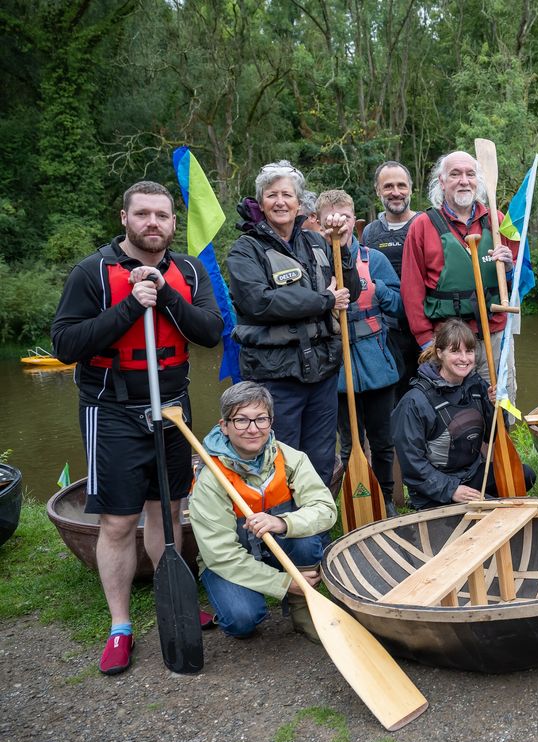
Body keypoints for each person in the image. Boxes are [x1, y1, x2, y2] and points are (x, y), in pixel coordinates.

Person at [50, 180, 224, 675]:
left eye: (163, 215)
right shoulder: (92, 273)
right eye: (143, 214)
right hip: (113, 410)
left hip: (172, 408)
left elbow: (210, 332)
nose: (154, 223)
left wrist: (166, 296)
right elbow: (66, 344)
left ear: (173, 222)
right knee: (119, 521)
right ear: (124, 218)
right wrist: (130, 304)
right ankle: (121, 625)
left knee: (168, 514)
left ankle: (178, 601)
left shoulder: (188, 270)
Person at [225, 160, 359, 487]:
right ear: (261, 202)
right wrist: (323, 300)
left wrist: (342, 252)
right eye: (272, 195)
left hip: (322, 371)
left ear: (299, 203)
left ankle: (316, 533)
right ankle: (279, 532)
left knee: (320, 458)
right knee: (279, 460)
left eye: (288, 194)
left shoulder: (317, 243)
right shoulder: (246, 250)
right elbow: (259, 302)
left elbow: (348, 291)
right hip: (275, 375)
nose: (281, 201)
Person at [188, 382, 336, 643]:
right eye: (241, 420)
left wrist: (282, 522)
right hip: (233, 559)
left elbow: (325, 509)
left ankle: (303, 610)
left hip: (280, 546)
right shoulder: (211, 479)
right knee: (242, 620)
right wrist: (281, 583)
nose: (253, 429)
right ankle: (261, 594)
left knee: (306, 538)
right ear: (224, 425)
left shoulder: (290, 458)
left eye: (260, 419)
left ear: (271, 421)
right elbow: (221, 554)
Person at [315, 189, 403, 515]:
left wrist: (377, 290)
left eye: (346, 219)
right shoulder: (315, 262)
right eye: (331, 220)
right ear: (321, 223)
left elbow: (399, 306)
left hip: (376, 361)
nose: (340, 225)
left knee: (383, 440)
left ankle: (388, 498)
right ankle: (356, 499)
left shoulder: (374, 260)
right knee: (350, 443)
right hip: (336, 365)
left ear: (355, 221)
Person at [392, 319, 535, 510]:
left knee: (524, 475)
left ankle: (485, 499)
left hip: (472, 475)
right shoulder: (414, 401)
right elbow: (412, 465)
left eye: (469, 351)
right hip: (434, 489)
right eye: (455, 351)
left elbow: (491, 435)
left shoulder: (476, 385)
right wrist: (452, 489)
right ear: (439, 353)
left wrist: (496, 407)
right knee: (490, 511)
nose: (464, 358)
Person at [399, 151, 516, 378]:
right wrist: (426, 341)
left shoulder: (498, 221)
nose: (464, 180)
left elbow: (521, 278)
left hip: (495, 335)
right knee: (456, 411)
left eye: (470, 174)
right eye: (455, 174)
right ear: (442, 182)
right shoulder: (422, 226)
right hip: (448, 341)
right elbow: (411, 291)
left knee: (501, 406)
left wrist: (510, 269)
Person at [361, 160, 421, 398]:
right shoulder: (370, 233)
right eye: (388, 187)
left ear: (411, 189)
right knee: (393, 399)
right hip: (386, 332)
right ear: (378, 190)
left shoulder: (427, 223)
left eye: (401, 186)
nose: (395, 192)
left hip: (424, 328)